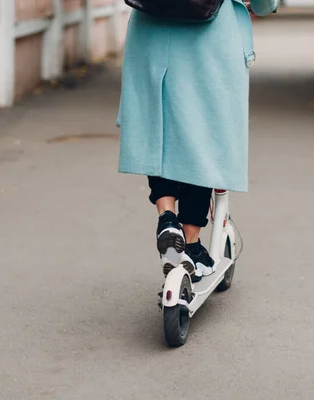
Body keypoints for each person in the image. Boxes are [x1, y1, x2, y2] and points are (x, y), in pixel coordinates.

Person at [116, 0, 277, 282]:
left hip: (149, 28)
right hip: (208, 35)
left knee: (158, 123)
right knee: (204, 131)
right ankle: (190, 242)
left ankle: (167, 218)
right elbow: (264, 4)